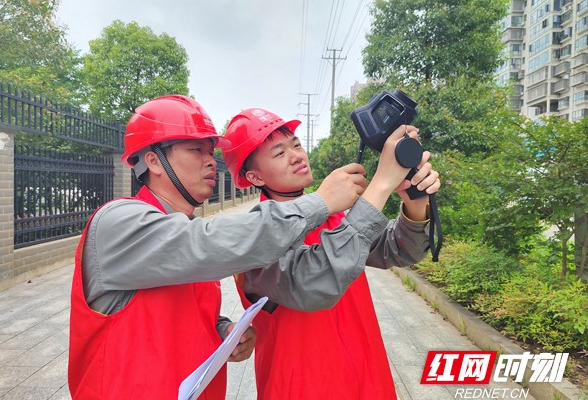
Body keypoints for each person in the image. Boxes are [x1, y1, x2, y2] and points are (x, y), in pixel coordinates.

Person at [67, 95, 406, 400]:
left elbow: (170, 314)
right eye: (195, 150)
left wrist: (221, 329)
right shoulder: (120, 222)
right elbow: (210, 243)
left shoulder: (189, 233)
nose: (210, 161)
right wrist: (329, 199)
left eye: (211, 151)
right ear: (154, 162)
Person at [222, 107, 440, 400]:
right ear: (255, 177)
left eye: (296, 145)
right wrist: (382, 182)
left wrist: (414, 198)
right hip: (301, 388)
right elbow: (316, 282)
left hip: (365, 379)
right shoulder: (256, 236)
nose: (297, 155)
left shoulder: (332, 214)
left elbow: (398, 250)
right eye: (279, 153)